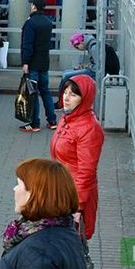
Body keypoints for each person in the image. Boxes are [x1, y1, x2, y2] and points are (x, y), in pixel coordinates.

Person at [50, 75, 104, 242]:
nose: (66, 97)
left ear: (84, 97)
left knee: (71, 247)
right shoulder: (68, 118)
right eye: (65, 92)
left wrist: (78, 207)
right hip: (62, 190)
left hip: (74, 196)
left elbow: (86, 172)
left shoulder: (89, 128)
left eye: (73, 94)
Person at [19, 0, 57, 132]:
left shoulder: (30, 23)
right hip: (44, 62)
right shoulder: (47, 22)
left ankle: (35, 123)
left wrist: (25, 62)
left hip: (33, 63)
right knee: (45, 91)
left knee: (32, 93)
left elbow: (27, 45)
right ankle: (52, 120)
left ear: (34, 6)